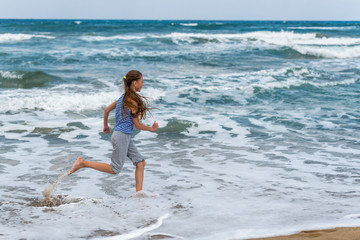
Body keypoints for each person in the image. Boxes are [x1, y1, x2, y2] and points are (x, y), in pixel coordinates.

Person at [67, 70, 158, 192]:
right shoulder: (132, 101)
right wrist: (151, 129)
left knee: (140, 163)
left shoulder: (123, 98)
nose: (143, 84)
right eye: (142, 82)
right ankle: (83, 163)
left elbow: (106, 110)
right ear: (135, 83)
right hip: (122, 136)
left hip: (122, 135)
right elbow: (137, 125)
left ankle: (139, 194)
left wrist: (105, 126)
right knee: (114, 169)